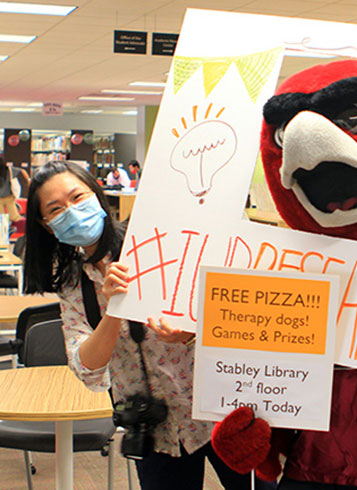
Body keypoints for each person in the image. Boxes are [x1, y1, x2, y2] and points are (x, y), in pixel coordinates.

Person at [23, 160, 274, 490]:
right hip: (155, 429)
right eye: (56, 209)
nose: (71, 211)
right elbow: (87, 366)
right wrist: (114, 308)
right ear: (47, 225)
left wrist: (192, 332)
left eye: (77, 197)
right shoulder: (72, 284)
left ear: (97, 196)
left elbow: (236, 310)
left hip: (221, 411)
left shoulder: (156, 243)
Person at [0, 157, 29, 222]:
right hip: (9, 197)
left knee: (1, 219)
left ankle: (3, 229)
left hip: (5, 198)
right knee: (14, 217)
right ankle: (16, 228)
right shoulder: (9, 170)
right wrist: (28, 179)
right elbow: (22, 171)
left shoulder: (9, 170)